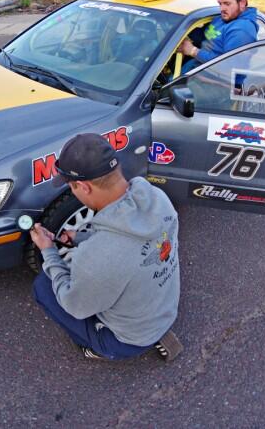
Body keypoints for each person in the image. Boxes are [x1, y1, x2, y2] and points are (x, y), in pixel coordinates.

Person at [31, 133, 182, 360]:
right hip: (164, 311)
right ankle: (154, 331)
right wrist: (79, 237)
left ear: (83, 186)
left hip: (128, 340)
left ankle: (98, 350)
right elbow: (128, 242)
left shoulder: (98, 257)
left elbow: (75, 306)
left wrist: (48, 251)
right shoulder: (158, 199)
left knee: (44, 285)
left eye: (71, 187)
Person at [177, 0, 260, 73]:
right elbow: (205, 36)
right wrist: (180, 34)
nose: (222, 9)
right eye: (220, 3)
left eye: (227, 3)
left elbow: (227, 67)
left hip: (213, 82)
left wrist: (193, 51)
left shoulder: (242, 30)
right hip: (195, 69)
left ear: (242, 3)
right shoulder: (223, 18)